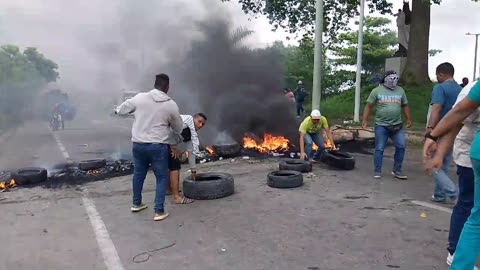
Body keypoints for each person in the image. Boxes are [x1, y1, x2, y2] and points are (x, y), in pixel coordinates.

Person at [422, 81, 480, 270]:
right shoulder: (468, 90)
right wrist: (438, 150)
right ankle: (455, 252)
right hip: (467, 156)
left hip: (477, 151)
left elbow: (458, 114)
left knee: (476, 216)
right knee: (467, 205)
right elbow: (457, 119)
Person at [115, 73, 183, 221]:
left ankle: (136, 203)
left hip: (138, 145)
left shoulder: (139, 98)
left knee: (139, 174)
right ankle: (159, 211)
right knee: (161, 177)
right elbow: (178, 127)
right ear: (167, 87)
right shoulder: (170, 104)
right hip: (157, 146)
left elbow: (121, 109)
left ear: (155, 84)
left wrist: (117, 110)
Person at [362, 70, 412, 179]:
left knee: (401, 146)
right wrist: (365, 120)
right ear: (385, 79)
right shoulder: (376, 91)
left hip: (397, 125)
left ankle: (397, 170)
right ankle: (377, 170)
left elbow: (405, 105)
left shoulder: (400, 91)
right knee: (379, 148)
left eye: (395, 78)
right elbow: (369, 106)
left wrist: (408, 118)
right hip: (381, 125)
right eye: (391, 78)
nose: (394, 81)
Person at [426, 62, 461, 203]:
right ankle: (439, 195)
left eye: (437, 75)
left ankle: (453, 193)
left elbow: (436, 109)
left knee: (434, 163)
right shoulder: (460, 89)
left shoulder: (440, 88)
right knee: (444, 163)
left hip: (441, 129)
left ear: (441, 74)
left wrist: (431, 130)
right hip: (457, 130)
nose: (436, 78)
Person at [167, 113, 207, 204]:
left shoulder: (190, 133)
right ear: (193, 119)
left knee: (170, 165)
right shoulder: (184, 124)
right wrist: (172, 146)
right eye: (199, 121)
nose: (200, 125)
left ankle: (169, 189)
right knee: (174, 166)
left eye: (203, 124)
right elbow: (169, 130)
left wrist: (193, 170)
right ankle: (175, 196)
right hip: (161, 141)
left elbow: (191, 152)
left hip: (166, 143)